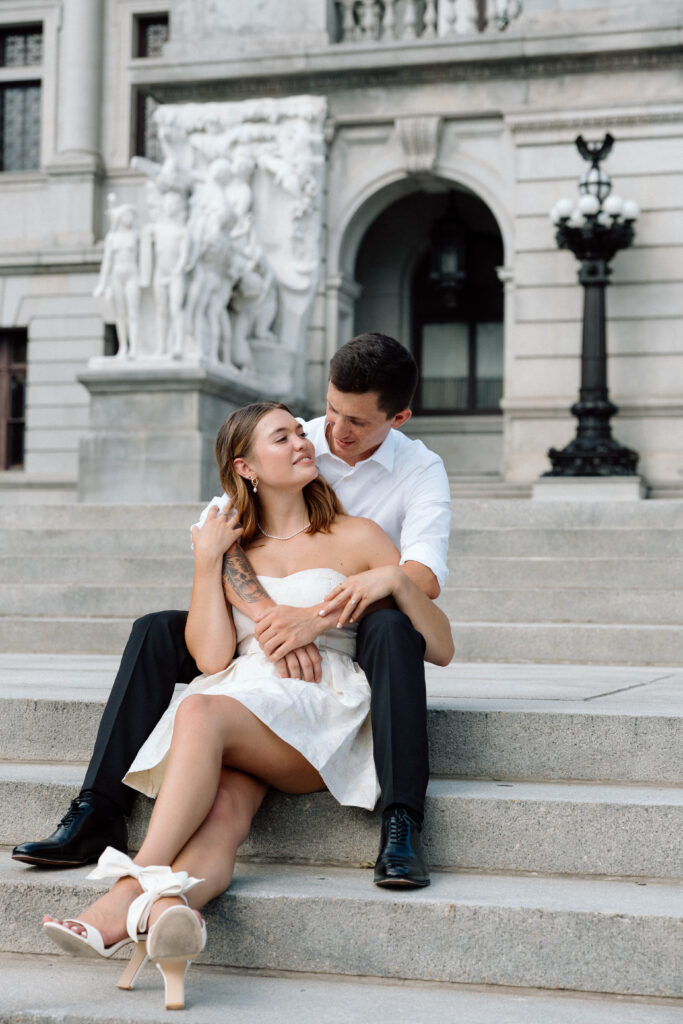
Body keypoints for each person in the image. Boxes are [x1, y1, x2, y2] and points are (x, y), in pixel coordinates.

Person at [41, 401, 454, 1010]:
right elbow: (211, 658)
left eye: (298, 433)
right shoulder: (234, 548)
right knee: (225, 813)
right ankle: (172, 917)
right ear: (247, 467)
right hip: (244, 702)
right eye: (282, 438)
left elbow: (440, 647)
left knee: (199, 712)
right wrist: (205, 561)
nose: (304, 443)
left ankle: (131, 883)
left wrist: (394, 581)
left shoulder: (357, 536)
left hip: (319, 714)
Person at [13, 332, 451, 888]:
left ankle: (402, 823)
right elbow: (216, 533)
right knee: (154, 630)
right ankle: (97, 809)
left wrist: (316, 619)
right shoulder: (297, 437)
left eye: (357, 423)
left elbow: (423, 577)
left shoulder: (420, 472)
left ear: (400, 417)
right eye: (332, 410)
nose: (333, 433)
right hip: (261, 634)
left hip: (353, 634)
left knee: (393, 628)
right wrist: (273, 622)